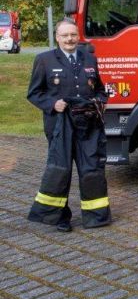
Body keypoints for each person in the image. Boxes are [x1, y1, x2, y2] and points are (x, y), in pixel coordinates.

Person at [27, 18, 111, 232]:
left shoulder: (89, 59)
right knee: (60, 170)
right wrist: (53, 104)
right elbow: (34, 93)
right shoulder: (44, 60)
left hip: (88, 125)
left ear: (78, 36)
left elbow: (100, 89)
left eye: (73, 35)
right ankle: (59, 217)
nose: (69, 39)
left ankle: (96, 216)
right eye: (65, 35)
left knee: (91, 168)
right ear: (57, 37)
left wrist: (100, 101)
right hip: (59, 125)